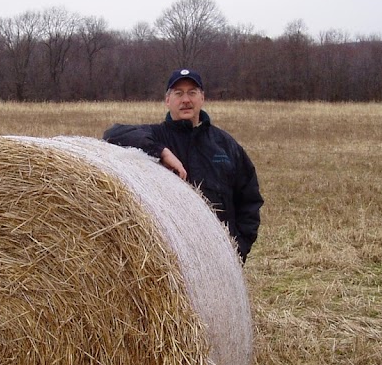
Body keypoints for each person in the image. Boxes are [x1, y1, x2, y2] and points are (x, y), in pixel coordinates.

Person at [103, 68, 263, 262]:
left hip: (220, 258)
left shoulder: (225, 144)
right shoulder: (156, 135)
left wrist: (239, 246)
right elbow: (114, 133)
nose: (186, 100)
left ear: (202, 98)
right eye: (178, 93)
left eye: (192, 92)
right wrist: (161, 152)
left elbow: (249, 199)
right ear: (167, 100)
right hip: (171, 258)